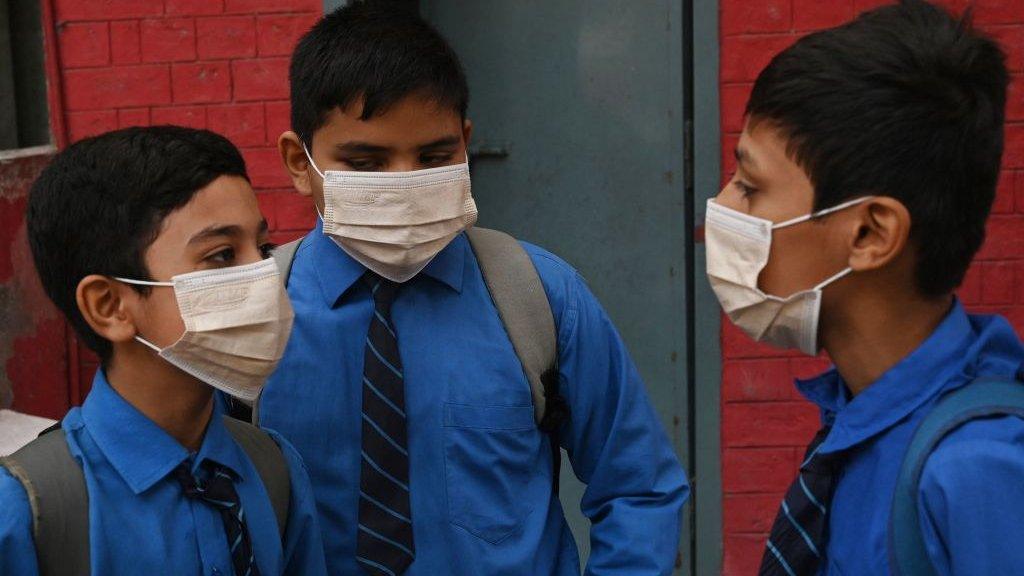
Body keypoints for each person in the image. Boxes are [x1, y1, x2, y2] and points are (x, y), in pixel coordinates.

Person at [256, 1, 689, 574]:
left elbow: (639, 488)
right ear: (298, 159)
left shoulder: (538, 296)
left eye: (434, 157)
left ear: (465, 142)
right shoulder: (251, 317)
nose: (405, 184)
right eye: (365, 162)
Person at [705, 1, 1023, 574]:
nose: (720, 213)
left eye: (750, 187)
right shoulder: (860, 421)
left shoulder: (975, 476)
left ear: (871, 233)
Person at [0, 126, 328, 576]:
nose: (265, 276)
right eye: (222, 255)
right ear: (110, 306)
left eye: (263, 247)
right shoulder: (29, 509)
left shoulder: (274, 468)